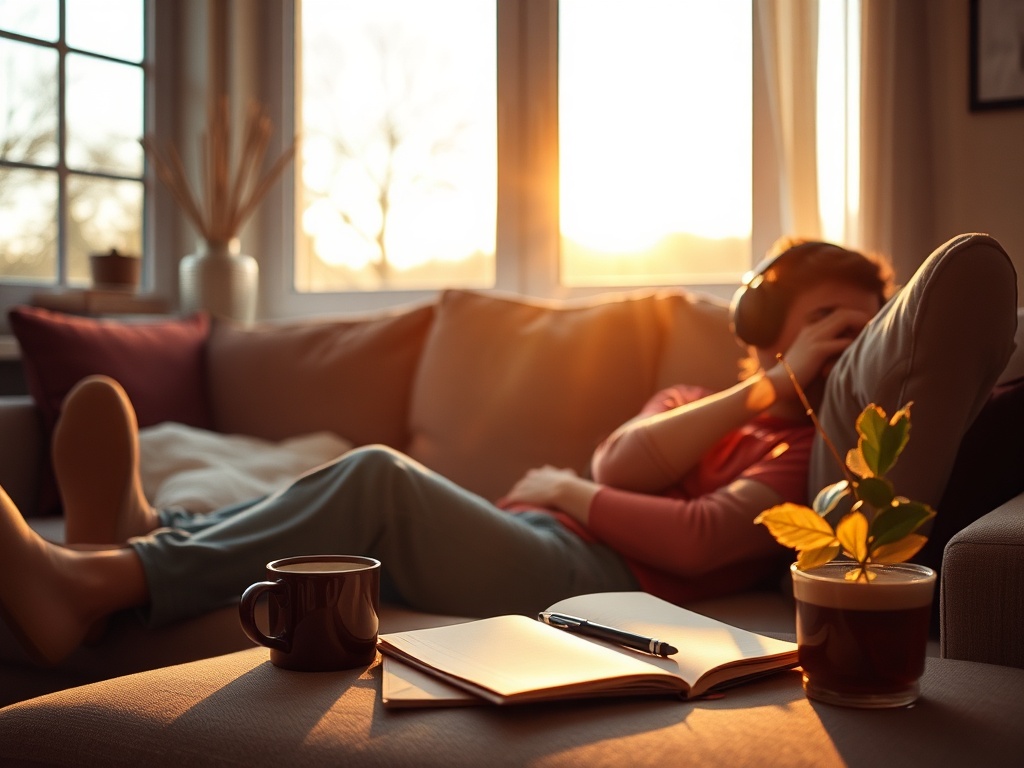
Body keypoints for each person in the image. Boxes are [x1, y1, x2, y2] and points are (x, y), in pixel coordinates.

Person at [0, 237, 897, 667]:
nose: (841, 342)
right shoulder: (705, 403)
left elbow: (701, 539)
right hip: (539, 538)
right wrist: (769, 385)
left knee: (376, 478)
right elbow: (625, 463)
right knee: (343, 498)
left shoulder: (804, 455)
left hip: (591, 575)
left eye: (860, 329)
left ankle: (90, 581)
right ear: (770, 334)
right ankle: (143, 541)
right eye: (823, 322)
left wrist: (567, 491)